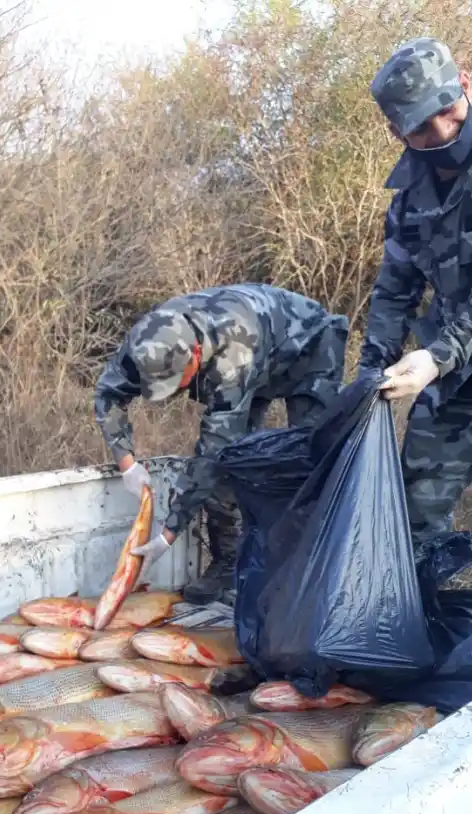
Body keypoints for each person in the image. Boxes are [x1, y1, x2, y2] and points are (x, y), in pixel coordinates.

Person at [94, 283, 348, 606]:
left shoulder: (232, 356)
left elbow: (213, 453)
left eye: (175, 382)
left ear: (196, 355)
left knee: (307, 462)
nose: (169, 393)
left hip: (308, 349)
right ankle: (227, 562)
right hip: (259, 357)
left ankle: (306, 578)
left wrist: (167, 533)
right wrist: (126, 462)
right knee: (233, 463)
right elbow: (107, 394)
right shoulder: (148, 343)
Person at [361, 37, 472, 542]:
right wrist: (368, 378)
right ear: (396, 132)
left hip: (446, 357)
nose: (444, 131)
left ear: (465, 83)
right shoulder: (409, 201)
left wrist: (436, 355)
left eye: (447, 110)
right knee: (416, 518)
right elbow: (394, 291)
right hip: (452, 379)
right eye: (422, 128)